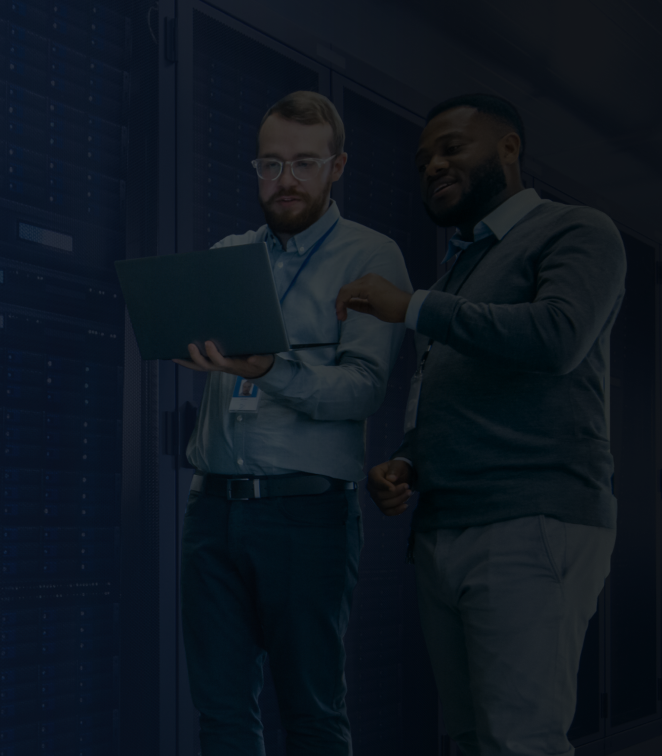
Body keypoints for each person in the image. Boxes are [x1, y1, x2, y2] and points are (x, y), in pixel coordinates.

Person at [335, 93, 625, 756]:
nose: (432, 165)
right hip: (446, 526)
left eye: (450, 148)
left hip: (530, 518)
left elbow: (558, 336)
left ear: (508, 149)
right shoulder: (461, 267)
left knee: (518, 740)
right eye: (422, 160)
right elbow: (448, 391)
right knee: (470, 739)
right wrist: (408, 460)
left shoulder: (578, 230)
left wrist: (412, 306)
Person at [172, 91, 413, 755]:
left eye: (304, 164)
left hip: (306, 517)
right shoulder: (230, 252)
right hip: (212, 513)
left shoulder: (370, 256)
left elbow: (363, 391)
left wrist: (269, 368)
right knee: (220, 712)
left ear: (337, 168)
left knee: (309, 711)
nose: (285, 181)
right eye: (270, 164)